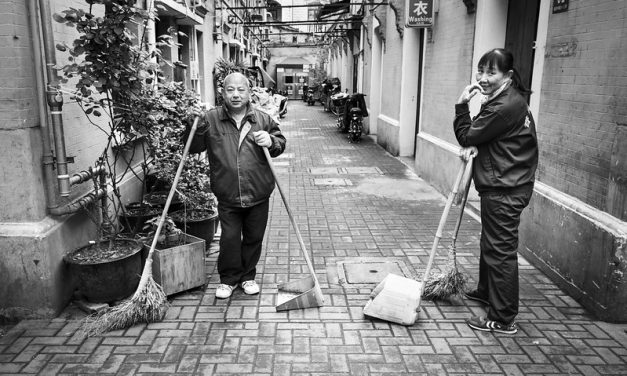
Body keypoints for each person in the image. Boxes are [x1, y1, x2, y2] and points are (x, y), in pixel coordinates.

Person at [453, 48, 539, 334]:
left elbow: (468, 134)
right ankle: (485, 291)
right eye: (481, 71)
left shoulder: (504, 106)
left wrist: (461, 106)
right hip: (504, 183)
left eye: (491, 72)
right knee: (490, 244)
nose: (483, 78)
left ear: (508, 76)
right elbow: (487, 137)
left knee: (500, 250)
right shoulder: (505, 99)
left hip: (506, 188)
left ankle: (502, 318)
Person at [187, 72, 286, 299]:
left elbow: (280, 144)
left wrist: (271, 141)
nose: (236, 94)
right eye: (230, 89)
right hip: (227, 193)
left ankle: (248, 277)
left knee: (254, 237)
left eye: (241, 90)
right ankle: (228, 280)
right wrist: (193, 124)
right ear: (222, 92)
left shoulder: (262, 119)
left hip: (258, 192)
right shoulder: (210, 119)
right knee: (230, 238)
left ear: (249, 93)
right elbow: (193, 147)